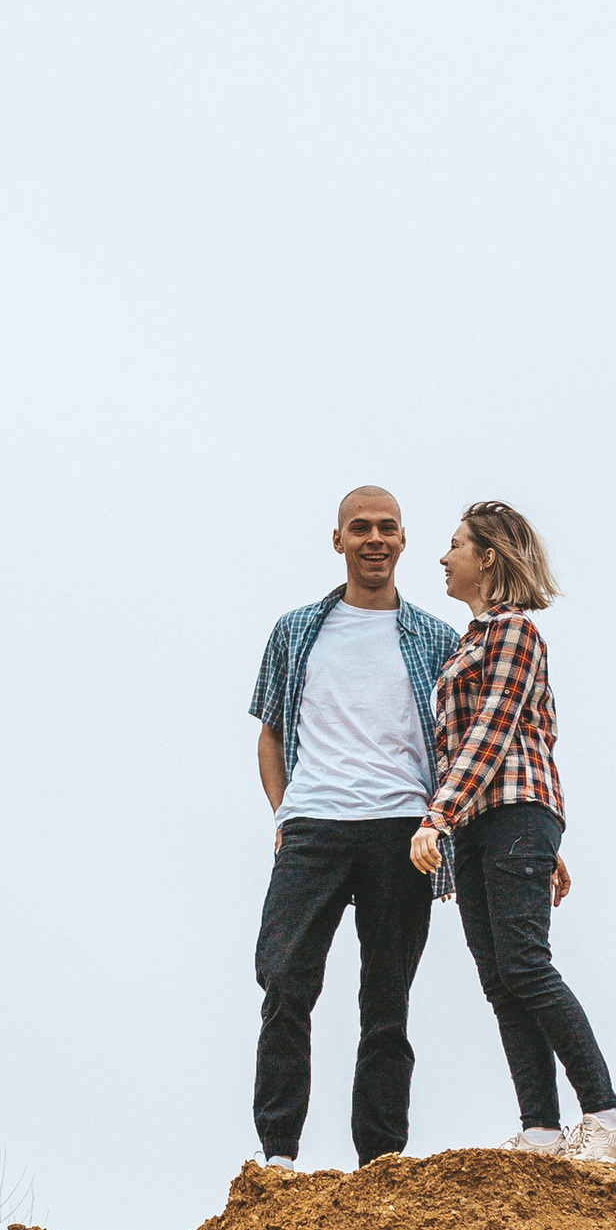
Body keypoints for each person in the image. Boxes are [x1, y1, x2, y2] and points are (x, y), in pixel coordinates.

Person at [410, 502, 616, 1161]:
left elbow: (494, 733)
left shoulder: (514, 634)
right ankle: (541, 1129)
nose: (443, 557)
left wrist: (437, 815)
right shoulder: (471, 642)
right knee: (500, 978)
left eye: (454, 545)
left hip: (509, 811)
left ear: (489, 557)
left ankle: (607, 1114)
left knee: (527, 965)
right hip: (492, 820)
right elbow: (488, 742)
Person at [246, 486, 461, 1167]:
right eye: (360, 528)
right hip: (314, 823)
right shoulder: (296, 630)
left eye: (387, 528)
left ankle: (381, 1162)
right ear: (337, 540)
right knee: (284, 982)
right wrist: (283, 813)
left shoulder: (438, 639)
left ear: (403, 541)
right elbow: (271, 735)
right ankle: (279, 1154)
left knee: (387, 1002)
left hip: (401, 830)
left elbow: (465, 745)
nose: (374, 539)